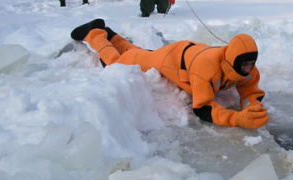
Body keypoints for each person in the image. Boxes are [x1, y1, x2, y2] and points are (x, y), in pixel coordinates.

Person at [70, 18, 269, 129]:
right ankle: (95, 33)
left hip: (191, 52)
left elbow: (251, 89)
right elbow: (202, 108)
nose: (249, 69)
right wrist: (236, 119)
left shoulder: (245, 66)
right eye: (245, 65)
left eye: (252, 64)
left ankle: (111, 35)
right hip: (173, 59)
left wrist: (254, 107)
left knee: (137, 53)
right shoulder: (207, 69)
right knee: (118, 63)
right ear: (231, 60)